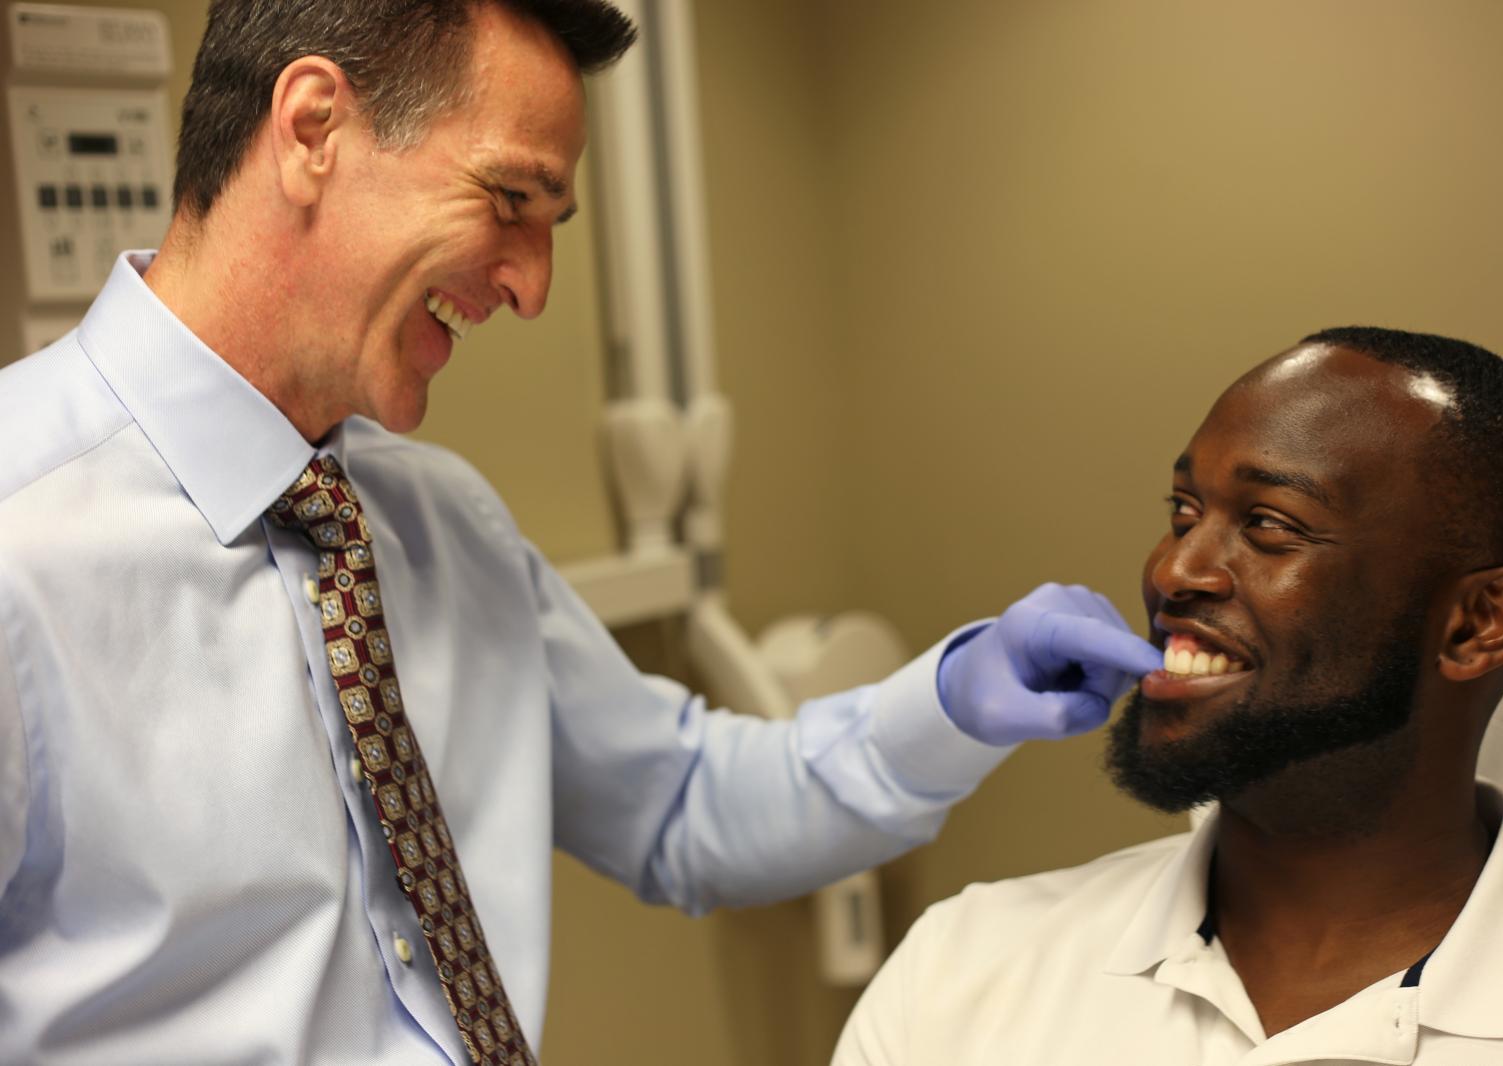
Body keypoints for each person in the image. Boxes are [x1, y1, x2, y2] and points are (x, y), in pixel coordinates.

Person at [0, 1, 1162, 1062]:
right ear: (312, 128)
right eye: (510, 201)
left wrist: (956, 698)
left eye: (551, 222)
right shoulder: (21, 539)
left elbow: (683, 805)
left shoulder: (438, 523)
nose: (533, 285)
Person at [832, 327, 1503, 1065]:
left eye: (1270, 525)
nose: (1173, 571)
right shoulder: (961, 970)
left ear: (1477, 624)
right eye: (1183, 512)